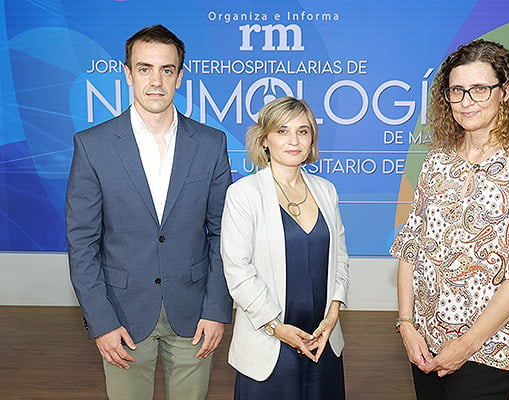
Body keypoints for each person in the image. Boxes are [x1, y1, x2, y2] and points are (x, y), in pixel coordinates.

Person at [390, 39, 509, 400]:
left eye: (479, 89)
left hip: (491, 347)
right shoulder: (437, 161)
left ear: (506, 91)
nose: (467, 101)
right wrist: (406, 324)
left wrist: (467, 344)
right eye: (458, 90)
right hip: (425, 341)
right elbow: (411, 246)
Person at [65, 25, 232, 399]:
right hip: (121, 316)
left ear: (179, 76)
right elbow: (82, 244)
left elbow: (224, 235)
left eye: (166, 69)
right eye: (144, 68)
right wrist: (101, 322)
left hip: (195, 315)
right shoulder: (93, 146)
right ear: (127, 73)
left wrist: (218, 308)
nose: (156, 80)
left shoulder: (211, 144)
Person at [221, 96, 349, 399]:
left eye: (303, 131)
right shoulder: (244, 194)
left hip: (322, 339)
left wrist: (332, 315)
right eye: (282, 131)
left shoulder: (326, 191)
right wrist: (277, 327)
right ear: (265, 139)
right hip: (269, 342)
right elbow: (238, 272)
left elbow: (340, 259)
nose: (293, 140)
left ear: (312, 140)